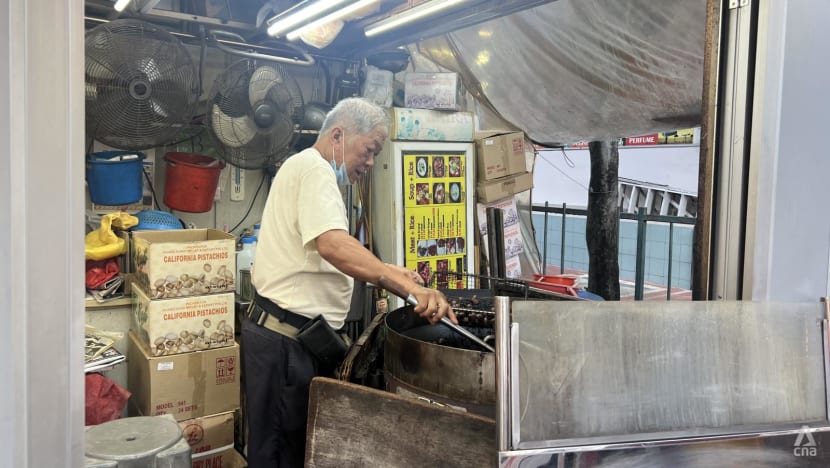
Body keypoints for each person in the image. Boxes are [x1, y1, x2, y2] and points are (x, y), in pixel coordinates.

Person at [241, 97, 457, 467]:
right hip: (285, 345)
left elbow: (323, 249)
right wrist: (405, 286)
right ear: (338, 135)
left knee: (285, 449)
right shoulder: (315, 169)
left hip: (289, 342)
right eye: (369, 150)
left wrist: (387, 267)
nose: (371, 163)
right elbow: (333, 245)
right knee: (279, 456)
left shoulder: (307, 170)